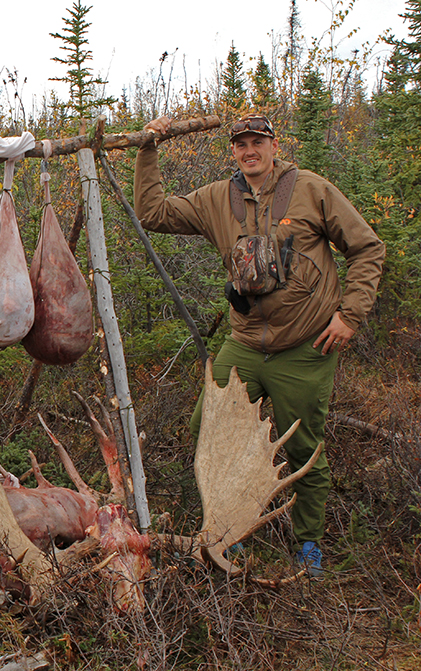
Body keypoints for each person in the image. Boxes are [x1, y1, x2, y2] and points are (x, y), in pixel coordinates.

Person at [134, 113, 384, 576]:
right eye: (240, 144)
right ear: (233, 150)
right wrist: (148, 149)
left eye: (257, 142)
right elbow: (153, 213)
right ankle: (232, 530)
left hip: (306, 349)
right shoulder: (216, 198)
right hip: (246, 343)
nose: (249, 150)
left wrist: (349, 315)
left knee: (303, 448)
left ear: (273, 144)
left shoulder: (310, 189)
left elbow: (367, 248)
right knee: (208, 429)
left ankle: (308, 545)